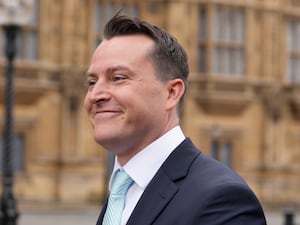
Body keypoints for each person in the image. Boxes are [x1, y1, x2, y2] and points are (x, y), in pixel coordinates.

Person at [84, 12, 267, 225]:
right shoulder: (120, 191)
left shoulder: (223, 200)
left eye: (118, 78)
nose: (96, 94)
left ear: (171, 93)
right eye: (91, 82)